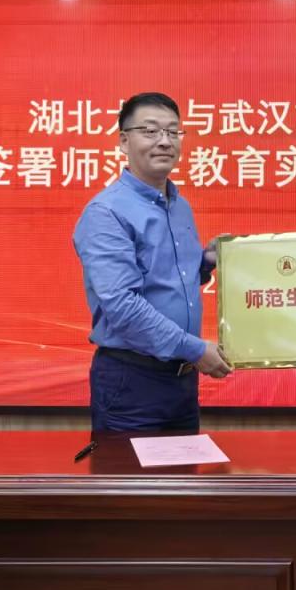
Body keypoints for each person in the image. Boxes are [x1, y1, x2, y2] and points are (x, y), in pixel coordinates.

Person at [73, 92, 231, 431]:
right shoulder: (106, 212)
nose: (164, 141)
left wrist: (207, 261)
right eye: (150, 131)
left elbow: (171, 279)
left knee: (184, 466)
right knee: (129, 469)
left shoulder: (179, 205)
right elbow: (122, 306)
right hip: (132, 383)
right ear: (123, 141)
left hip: (182, 381)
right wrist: (195, 349)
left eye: (173, 132)